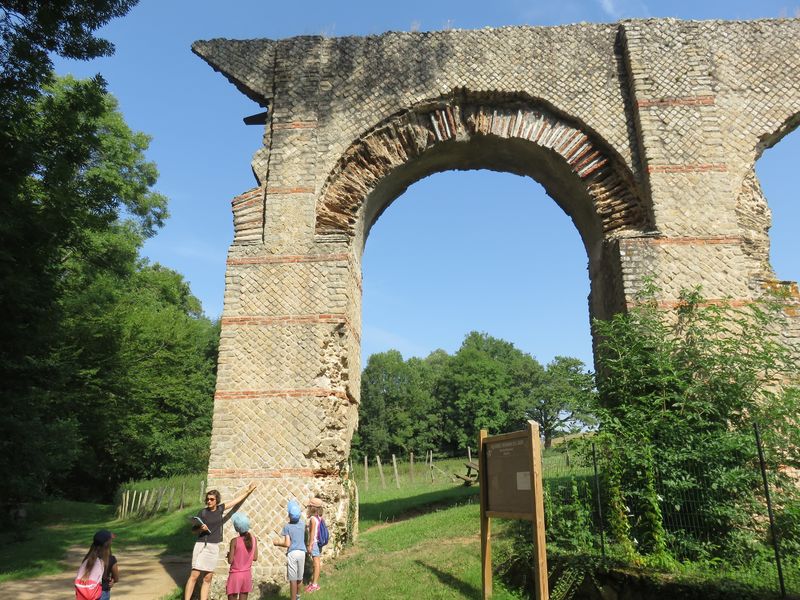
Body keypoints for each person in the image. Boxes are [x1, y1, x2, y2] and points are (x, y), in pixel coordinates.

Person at [184, 482, 258, 600]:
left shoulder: (220, 509)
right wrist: (200, 528)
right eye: (207, 499)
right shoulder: (202, 512)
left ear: (216, 500)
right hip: (201, 545)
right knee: (194, 575)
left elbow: (235, 501)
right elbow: (193, 531)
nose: (209, 501)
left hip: (213, 547)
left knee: (208, 578)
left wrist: (248, 491)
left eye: (212, 499)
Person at [273, 499, 306, 600]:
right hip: (302, 553)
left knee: (293, 579)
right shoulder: (302, 524)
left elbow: (287, 543)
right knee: (299, 577)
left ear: (289, 515)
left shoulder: (287, 527)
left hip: (293, 553)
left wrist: (277, 543)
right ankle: (298, 596)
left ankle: (292, 599)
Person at [75, 529, 118, 600]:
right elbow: (116, 578)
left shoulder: (88, 558)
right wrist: (113, 580)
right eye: (111, 540)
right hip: (102, 593)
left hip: (85, 593)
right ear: (108, 543)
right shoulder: (111, 559)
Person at [226, 512, 258, 600]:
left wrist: (229, 555)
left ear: (237, 529)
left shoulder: (234, 541)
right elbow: (255, 558)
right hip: (247, 575)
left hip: (235, 575)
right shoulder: (254, 539)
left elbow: (230, 561)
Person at [305, 497, 324, 593]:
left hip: (315, 543)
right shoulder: (319, 517)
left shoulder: (313, 519)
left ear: (312, 508)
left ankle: (315, 584)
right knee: (316, 563)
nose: (308, 507)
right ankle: (314, 582)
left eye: (309, 506)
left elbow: (312, 534)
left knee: (316, 564)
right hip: (319, 542)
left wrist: (310, 545)